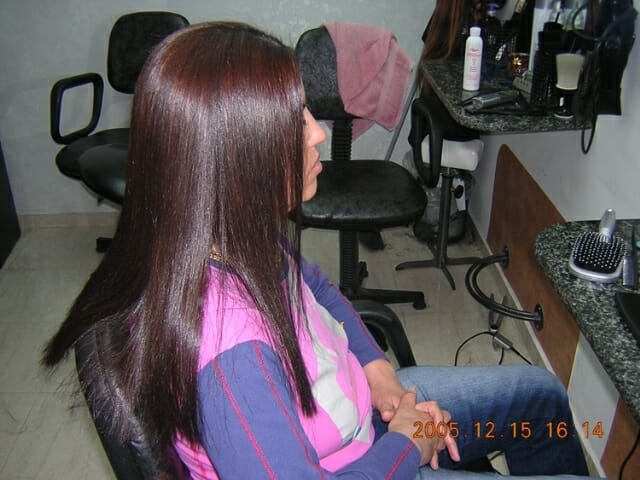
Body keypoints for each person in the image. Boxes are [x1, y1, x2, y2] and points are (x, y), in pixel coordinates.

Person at [42, 21, 597, 479]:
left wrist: (379, 374)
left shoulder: (230, 234)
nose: (317, 134)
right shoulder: (233, 363)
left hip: (360, 414)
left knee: (542, 397)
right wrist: (407, 443)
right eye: (295, 120)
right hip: (359, 459)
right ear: (234, 160)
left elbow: (319, 289)